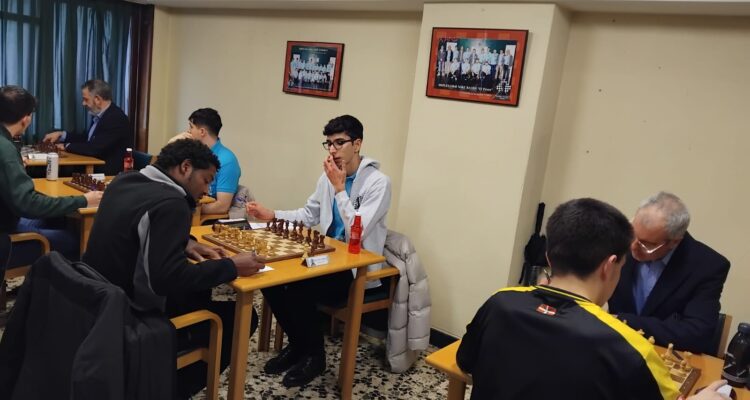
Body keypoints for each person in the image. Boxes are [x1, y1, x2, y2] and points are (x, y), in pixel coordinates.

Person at [457, 198, 729, 400]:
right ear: (609, 267)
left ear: (549, 257)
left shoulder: (499, 301)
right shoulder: (631, 349)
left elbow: (465, 361)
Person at [81, 139, 263, 398]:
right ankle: (169, 389)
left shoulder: (124, 181)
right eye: (206, 180)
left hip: (96, 300)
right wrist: (231, 266)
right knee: (240, 317)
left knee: (200, 293)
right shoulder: (172, 202)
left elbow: (136, 227)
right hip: (133, 316)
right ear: (185, 167)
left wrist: (185, 241)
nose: (207, 189)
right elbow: (165, 279)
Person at [245, 114, 391, 387]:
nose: (333, 150)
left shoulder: (378, 182)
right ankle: (300, 345)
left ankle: (314, 355)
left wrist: (340, 189)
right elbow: (308, 214)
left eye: (339, 143)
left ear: (357, 144)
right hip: (326, 256)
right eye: (329, 144)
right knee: (270, 279)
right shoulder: (328, 178)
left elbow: (357, 230)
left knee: (299, 289)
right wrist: (272, 214)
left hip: (355, 267)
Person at [608, 192, 730, 354]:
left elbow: (696, 333)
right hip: (613, 348)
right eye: (633, 235)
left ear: (674, 241)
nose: (633, 247)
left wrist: (622, 321)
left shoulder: (708, 266)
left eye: (647, 244)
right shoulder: (620, 242)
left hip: (662, 355)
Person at [0, 85, 102, 264]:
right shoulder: (6, 150)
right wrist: (84, 200)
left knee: (54, 220)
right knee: (74, 241)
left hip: (8, 217)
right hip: (6, 236)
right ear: (26, 119)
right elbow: (29, 204)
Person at [42, 79, 131, 176]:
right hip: (92, 168)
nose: (83, 103)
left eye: (86, 99)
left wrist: (66, 146)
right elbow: (87, 138)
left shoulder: (116, 118)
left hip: (106, 174)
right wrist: (61, 135)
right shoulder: (101, 115)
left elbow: (94, 148)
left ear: (97, 99)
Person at [169, 108, 241, 215]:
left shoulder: (227, 161)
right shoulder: (191, 152)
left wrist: (184, 209)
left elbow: (222, 206)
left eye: (191, 127)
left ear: (202, 131)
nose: (188, 131)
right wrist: (172, 143)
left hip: (201, 217)